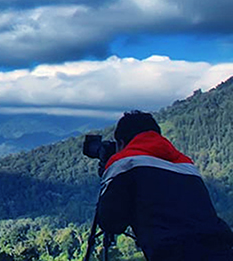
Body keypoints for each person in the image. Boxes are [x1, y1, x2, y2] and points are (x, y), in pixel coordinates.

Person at [98, 110, 233, 260]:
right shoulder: (186, 164)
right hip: (222, 250)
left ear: (121, 143)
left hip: (172, 253)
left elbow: (110, 223)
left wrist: (108, 174)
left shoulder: (124, 162)